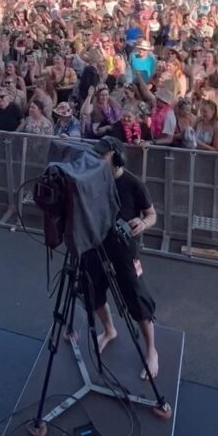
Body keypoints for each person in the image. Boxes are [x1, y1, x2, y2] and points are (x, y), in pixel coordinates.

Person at [80, 137, 159, 379]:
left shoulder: (133, 184)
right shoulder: (95, 180)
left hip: (124, 249)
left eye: (103, 156)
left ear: (116, 157)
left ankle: (151, 350)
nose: (98, 160)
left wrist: (143, 223)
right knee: (92, 292)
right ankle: (109, 330)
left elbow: (152, 214)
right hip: (96, 244)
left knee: (137, 298)